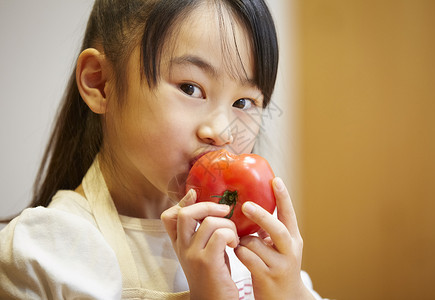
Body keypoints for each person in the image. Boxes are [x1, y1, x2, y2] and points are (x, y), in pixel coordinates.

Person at [0, 0, 325, 299]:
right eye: (190, 88)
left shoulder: (255, 252)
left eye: (244, 102)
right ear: (100, 83)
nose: (220, 132)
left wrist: (291, 290)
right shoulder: (43, 253)